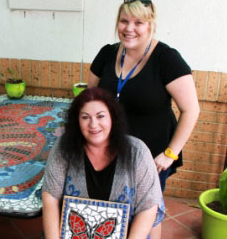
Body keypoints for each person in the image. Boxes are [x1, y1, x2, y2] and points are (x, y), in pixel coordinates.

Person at [88, 0, 199, 191]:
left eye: (138, 22)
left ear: (150, 25)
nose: (129, 28)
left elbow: (191, 110)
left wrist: (170, 154)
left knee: (146, 214)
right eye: (124, 21)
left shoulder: (167, 59)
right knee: (113, 210)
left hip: (151, 158)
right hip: (109, 152)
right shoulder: (106, 54)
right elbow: (89, 101)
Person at [42, 87, 165, 239]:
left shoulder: (137, 152)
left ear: (112, 117)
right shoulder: (63, 148)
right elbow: (50, 197)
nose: (93, 125)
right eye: (85, 117)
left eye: (100, 116)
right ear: (77, 121)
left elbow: (148, 207)